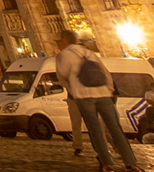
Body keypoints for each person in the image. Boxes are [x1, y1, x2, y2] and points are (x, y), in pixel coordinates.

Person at [59, 30, 140, 170]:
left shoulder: (64, 55)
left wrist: (74, 92)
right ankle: (131, 163)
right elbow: (105, 72)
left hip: (84, 96)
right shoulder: (88, 52)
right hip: (102, 93)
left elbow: (62, 77)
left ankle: (107, 163)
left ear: (65, 40)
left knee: (95, 129)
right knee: (115, 128)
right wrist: (109, 90)